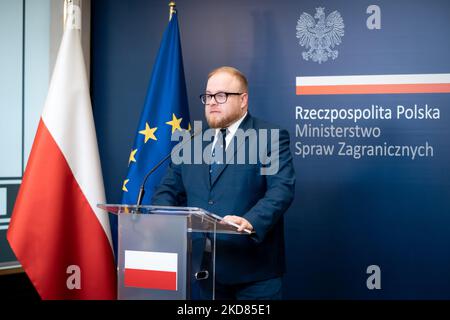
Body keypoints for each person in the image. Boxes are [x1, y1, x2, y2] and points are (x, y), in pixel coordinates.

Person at [152, 66, 295, 299]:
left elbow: (281, 190)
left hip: (254, 273)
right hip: (206, 271)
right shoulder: (192, 141)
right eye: (208, 96)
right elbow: (168, 189)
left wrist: (250, 220)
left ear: (243, 100)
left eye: (221, 96)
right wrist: (161, 217)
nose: (212, 102)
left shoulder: (270, 136)